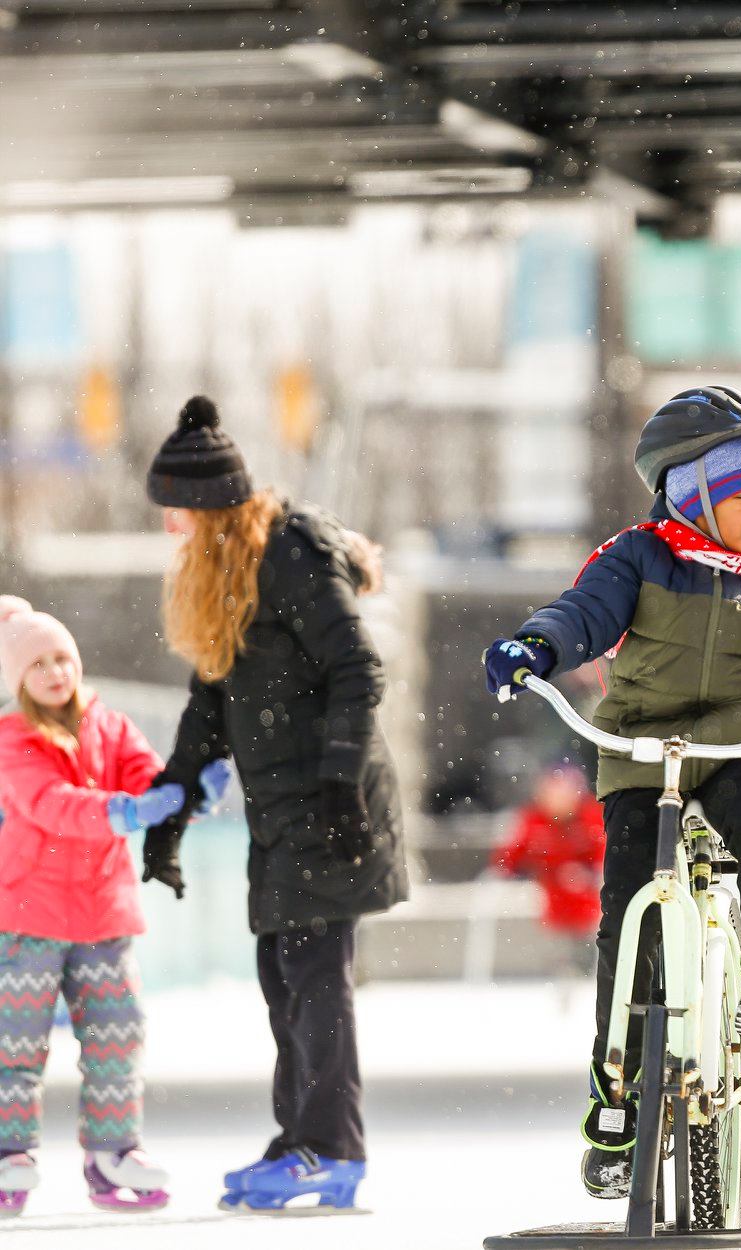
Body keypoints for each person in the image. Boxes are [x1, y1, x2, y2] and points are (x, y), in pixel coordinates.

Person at [481, 384, 741, 1200]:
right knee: (627, 919)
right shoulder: (638, 558)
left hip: (738, 744)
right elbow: (581, 614)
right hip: (640, 747)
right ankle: (615, 1091)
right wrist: (534, 647)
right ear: (694, 500)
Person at [142, 396, 408, 1212]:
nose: (168, 529)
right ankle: (304, 1137)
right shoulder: (225, 574)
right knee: (284, 974)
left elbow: (358, 669)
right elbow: (211, 703)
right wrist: (174, 805)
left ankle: (329, 1146)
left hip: (332, 801)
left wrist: (336, 785)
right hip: (285, 806)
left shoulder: (287, 555)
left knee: (312, 974)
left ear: (211, 509)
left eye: (177, 512)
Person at [0, 600, 228, 1216]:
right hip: (28, 916)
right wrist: (121, 813)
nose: (54, 672)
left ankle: (113, 1150)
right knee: (15, 1045)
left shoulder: (110, 726)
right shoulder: (11, 739)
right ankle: (7, 1152)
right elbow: (52, 804)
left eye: (62, 658)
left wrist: (189, 795)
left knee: (117, 1038)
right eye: (38, 664)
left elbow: (149, 782)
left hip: (104, 914)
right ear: (17, 679)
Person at [489, 761, 607, 978]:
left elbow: (604, 857)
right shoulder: (533, 820)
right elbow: (508, 857)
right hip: (552, 912)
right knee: (557, 964)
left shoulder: (593, 818)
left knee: (591, 962)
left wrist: (586, 876)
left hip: (589, 912)